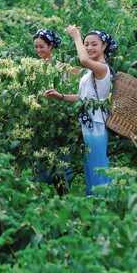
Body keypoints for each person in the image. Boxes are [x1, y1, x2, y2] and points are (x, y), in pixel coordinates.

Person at [44, 25, 118, 195]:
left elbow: (83, 60)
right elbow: (83, 98)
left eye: (94, 44)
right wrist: (60, 96)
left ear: (104, 46)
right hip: (88, 124)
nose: (89, 47)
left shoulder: (102, 68)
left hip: (97, 125)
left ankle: (103, 201)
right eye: (86, 44)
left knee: (98, 167)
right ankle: (95, 201)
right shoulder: (91, 71)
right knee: (91, 166)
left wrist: (77, 36)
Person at [32, 29, 74, 193]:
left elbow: (67, 89)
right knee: (41, 156)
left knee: (60, 157)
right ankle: (42, 195)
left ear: (51, 46)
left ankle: (62, 193)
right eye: (36, 47)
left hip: (58, 119)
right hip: (40, 118)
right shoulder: (34, 67)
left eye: (42, 46)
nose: (38, 51)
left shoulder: (62, 68)